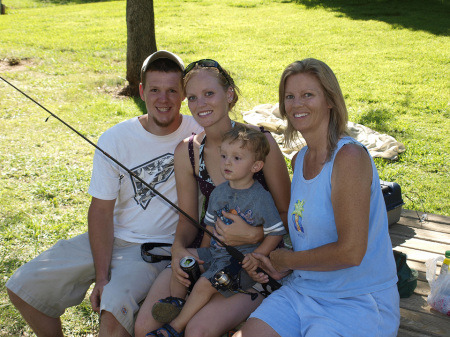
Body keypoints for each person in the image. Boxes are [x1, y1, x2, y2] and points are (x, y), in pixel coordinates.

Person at [6, 50, 203, 337]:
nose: (164, 99)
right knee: (24, 286)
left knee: (112, 318)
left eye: (172, 90)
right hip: (110, 237)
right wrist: (101, 276)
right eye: (155, 90)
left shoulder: (198, 131)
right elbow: (100, 210)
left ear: (183, 93)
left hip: (154, 249)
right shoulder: (114, 138)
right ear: (141, 91)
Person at [234, 58, 400, 337]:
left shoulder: (349, 158)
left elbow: (351, 252)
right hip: (304, 290)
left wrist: (285, 261)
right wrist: (275, 260)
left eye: (308, 95)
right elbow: (308, 234)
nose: (297, 104)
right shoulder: (299, 160)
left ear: (330, 101)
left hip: (356, 301)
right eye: (290, 96)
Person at [135, 59, 291, 337]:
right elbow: (187, 220)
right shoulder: (188, 152)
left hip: (255, 264)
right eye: (193, 97)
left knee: (197, 331)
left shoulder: (261, 143)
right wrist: (179, 250)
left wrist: (254, 235)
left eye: (209, 94)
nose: (200, 104)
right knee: (144, 326)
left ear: (228, 94)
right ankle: (179, 303)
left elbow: (288, 215)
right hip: (209, 253)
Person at [146, 125, 287, 337]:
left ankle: (175, 327)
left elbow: (276, 232)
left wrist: (257, 257)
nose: (227, 162)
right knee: (183, 258)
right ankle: (177, 300)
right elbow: (209, 228)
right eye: (224, 156)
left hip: (241, 264)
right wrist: (204, 258)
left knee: (204, 284)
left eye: (237, 158)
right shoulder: (219, 193)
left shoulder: (261, 198)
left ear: (256, 165)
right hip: (216, 255)